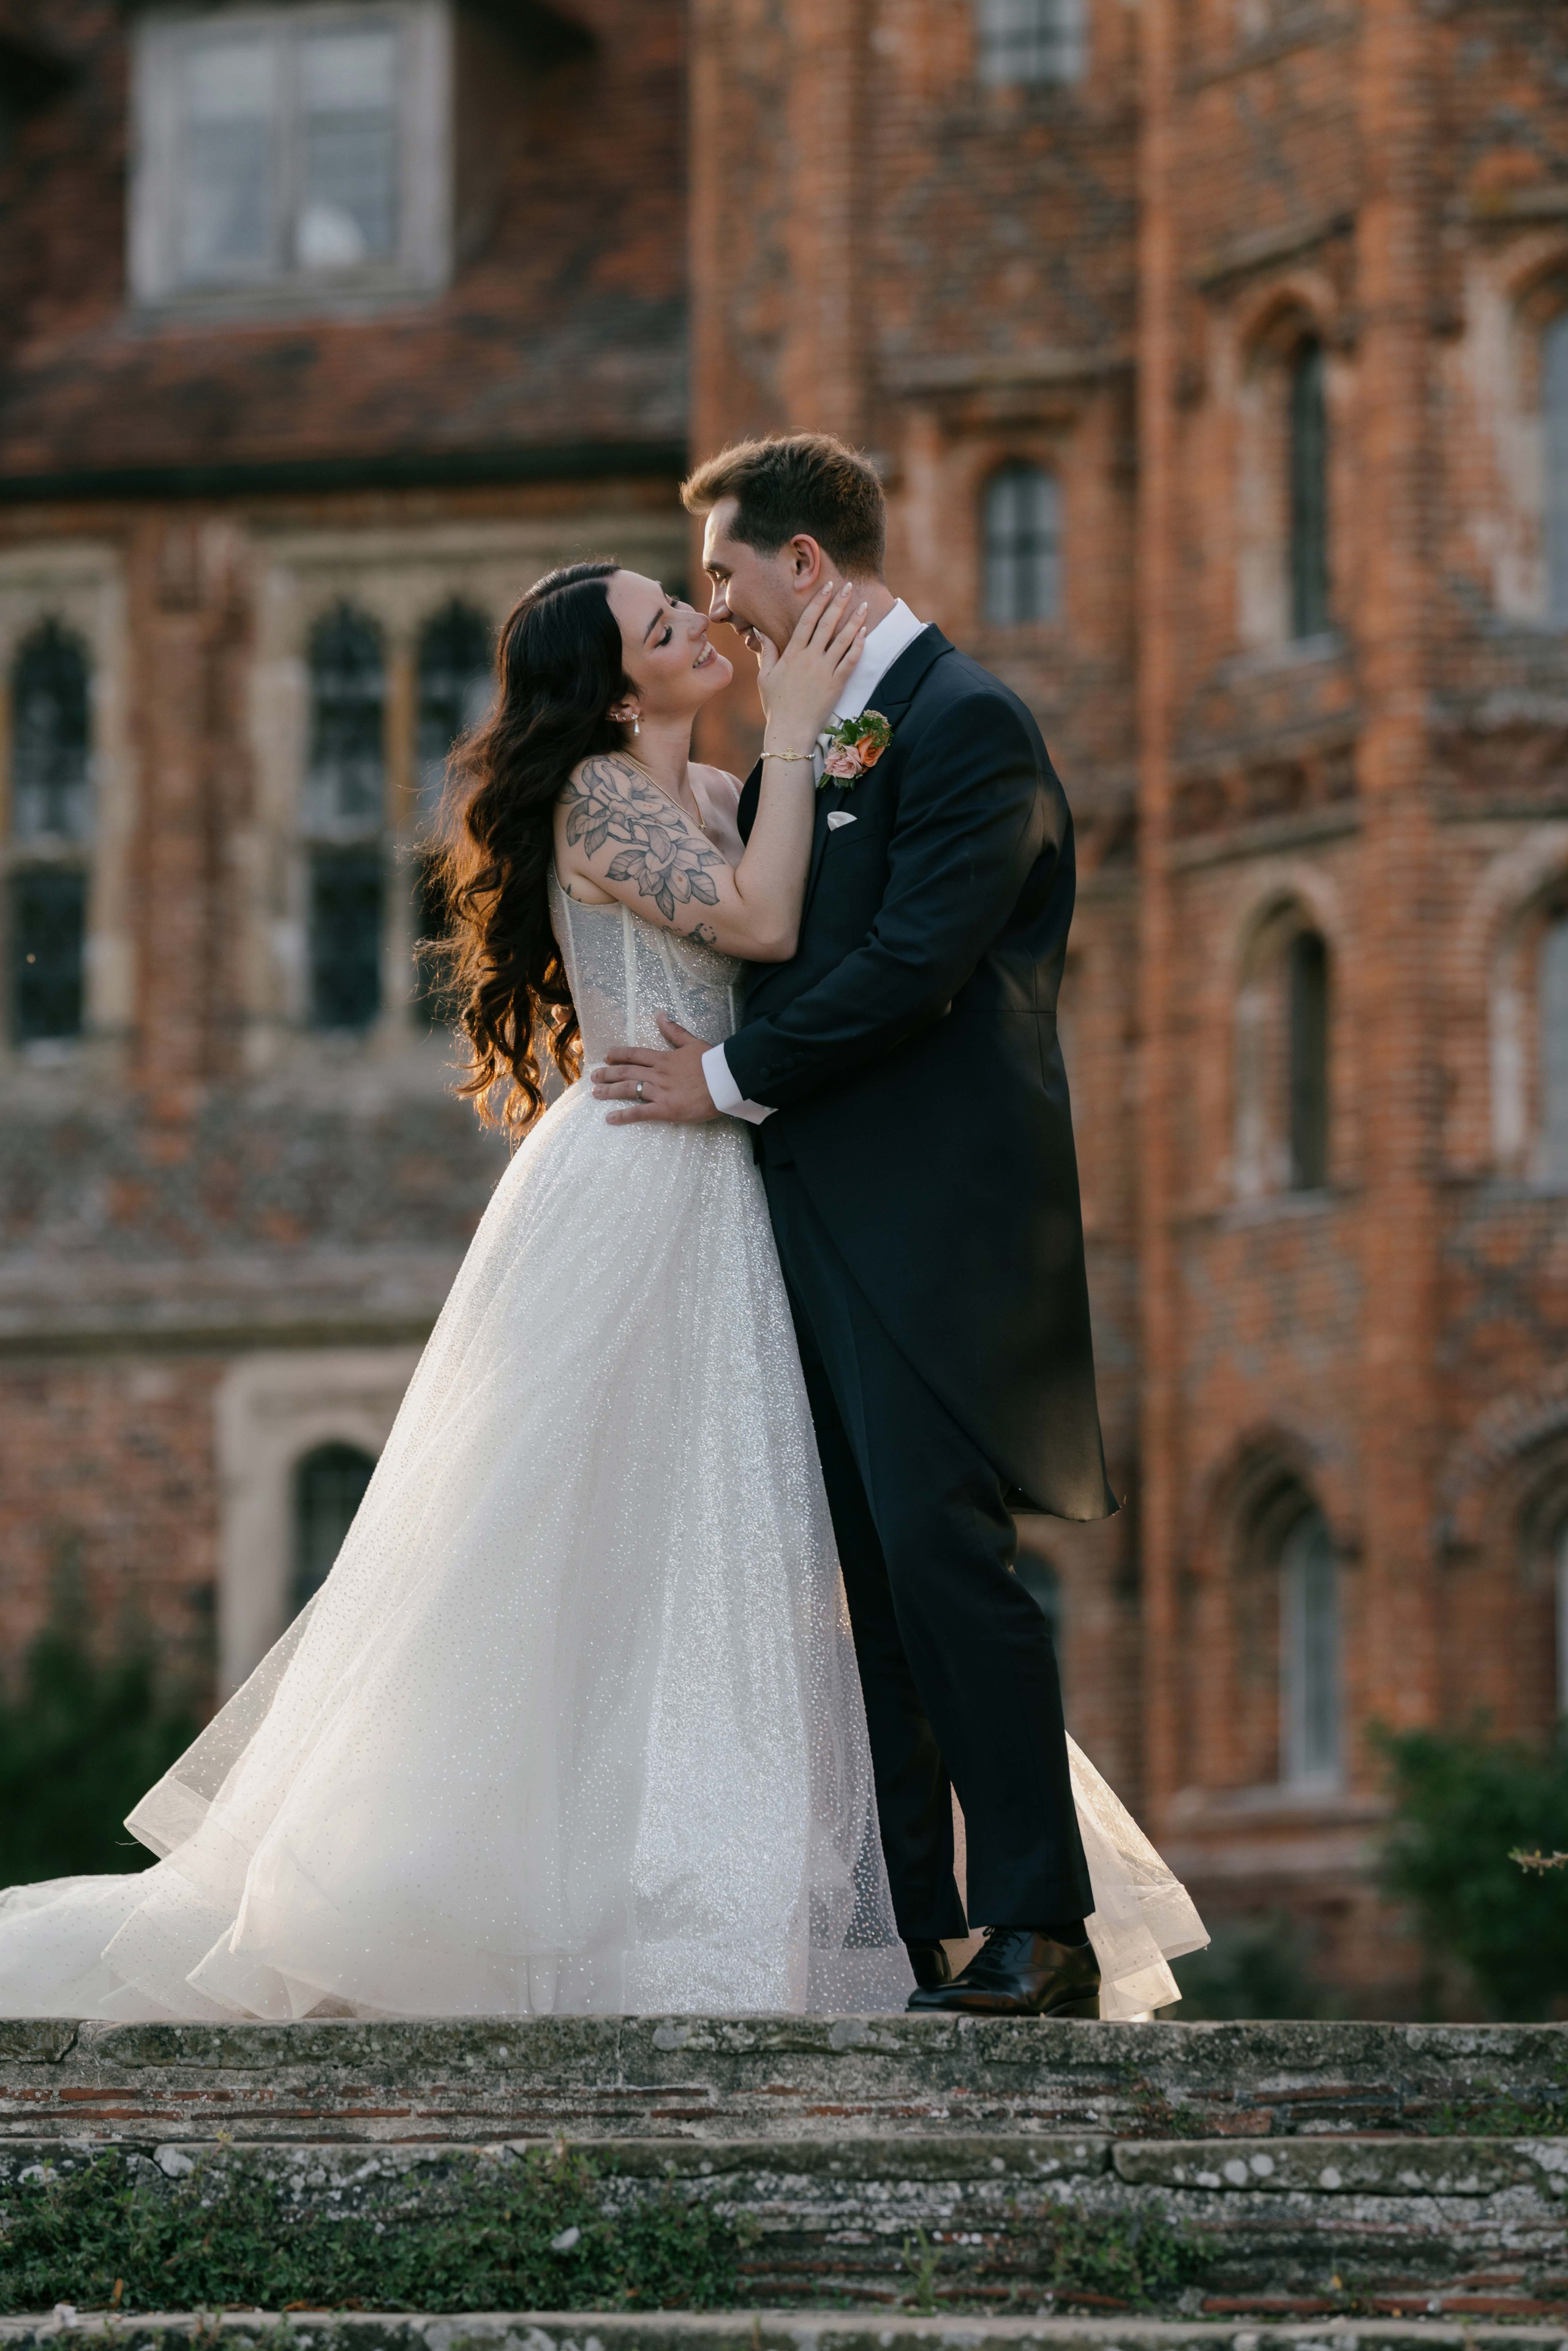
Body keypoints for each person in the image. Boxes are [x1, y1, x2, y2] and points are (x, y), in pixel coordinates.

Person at [0, 534, 1202, 2024]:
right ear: (617, 689)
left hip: (740, 1177)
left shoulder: (725, 792)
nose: (697, 620)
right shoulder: (595, 797)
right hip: (640, 1179)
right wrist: (799, 726)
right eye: (661, 620)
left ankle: (818, 1910)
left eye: (687, 600)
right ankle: (572, 1906)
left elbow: (818, 926)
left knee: (757, 1553)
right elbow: (759, 925)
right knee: (596, 1545)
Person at [591, 433, 1206, 2017]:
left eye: (726, 575)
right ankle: (911, 1926)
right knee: (859, 1590)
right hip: (808, 1220)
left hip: (936, 1228)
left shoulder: (966, 722)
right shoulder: (803, 753)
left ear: (805, 564)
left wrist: (724, 1076)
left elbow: (917, 964)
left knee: (946, 1562)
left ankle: (1041, 1922)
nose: (718, 611)